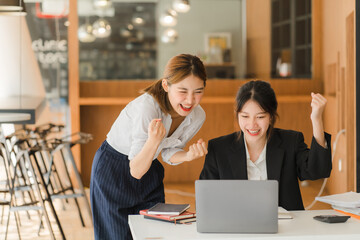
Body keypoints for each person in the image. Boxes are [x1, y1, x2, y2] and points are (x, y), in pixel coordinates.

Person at [90, 54, 208, 239]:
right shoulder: (148, 107)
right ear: (166, 85)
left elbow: (168, 151)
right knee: (117, 235)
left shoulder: (197, 116)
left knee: (154, 233)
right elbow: (136, 170)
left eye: (198, 91)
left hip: (150, 167)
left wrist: (187, 156)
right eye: (183, 91)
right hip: (114, 169)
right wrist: (153, 141)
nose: (190, 100)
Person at [199, 80, 332, 211]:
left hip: (286, 227)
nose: (252, 125)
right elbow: (205, 198)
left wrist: (316, 119)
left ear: (271, 116)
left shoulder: (290, 141)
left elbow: (318, 171)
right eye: (245, 116)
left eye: (260, 117)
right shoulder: (218, 149)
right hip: (237, 229)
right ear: (237, 115)